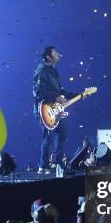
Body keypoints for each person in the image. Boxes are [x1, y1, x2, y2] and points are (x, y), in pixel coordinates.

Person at [33, 46, 78, 174]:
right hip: (44, 109)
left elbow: (59, 91)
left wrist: (78, 95)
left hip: (54, 109)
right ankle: (43, 166)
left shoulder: (53, 72)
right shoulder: (42, 71)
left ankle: (57, 162)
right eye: (55, 53)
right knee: (47, 137)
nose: (58, 54)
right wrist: (56, 97)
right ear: (48, 56)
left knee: (61, 133)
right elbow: (38, 91)